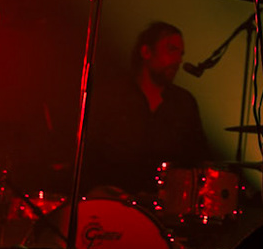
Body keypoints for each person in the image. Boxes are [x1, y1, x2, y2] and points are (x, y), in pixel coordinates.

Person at [84, 21, 212, 197]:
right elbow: (88, 150)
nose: (178, 60)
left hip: (166, 206)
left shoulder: (184, 103)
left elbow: (198, 157)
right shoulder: (112, 96)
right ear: (146, 52)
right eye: (171, 50)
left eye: (180, 54)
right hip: (111, 201)